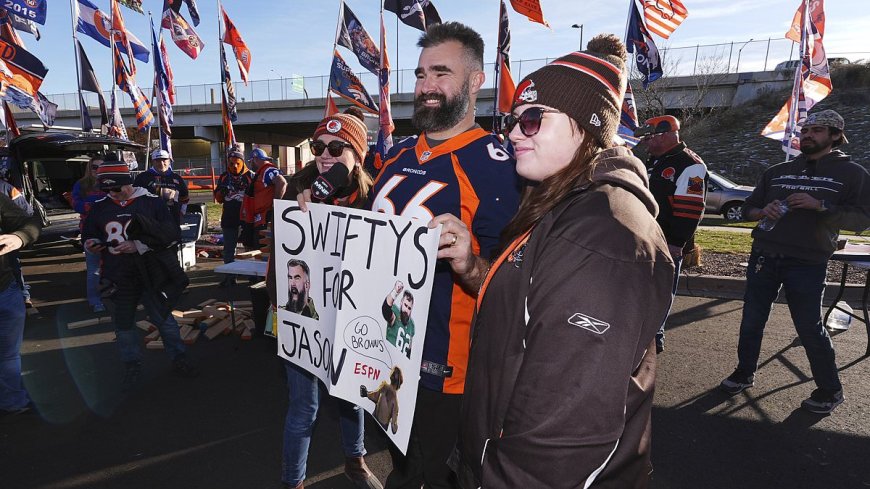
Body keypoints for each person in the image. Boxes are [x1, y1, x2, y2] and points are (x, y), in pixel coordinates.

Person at [438, 35, 675, 487]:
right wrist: (470, 265)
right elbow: (529, 310)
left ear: (585, 126)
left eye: (531, 119)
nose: (510, 133)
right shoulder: (559, 203)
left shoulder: (602, 237)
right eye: (512, 120)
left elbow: (566, 434)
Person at [369, 21, 521, 489]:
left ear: (476, 81)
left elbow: (519, 287)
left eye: (441, 73)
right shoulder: (394, 156)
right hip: (383, 349)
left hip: (445, 366)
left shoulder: (498, 169)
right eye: (419, 75)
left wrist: (471, 261)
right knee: (401, 465)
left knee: (429, 477)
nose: (426, 86)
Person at [719, 109, 870, 414]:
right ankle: (744, 372)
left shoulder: (853, 173)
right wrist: (762, 212)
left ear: (835, 136)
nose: (808, 135)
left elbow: (862, 219)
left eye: (816, 130)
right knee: (751, 320)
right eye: (805, 130)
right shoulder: (777, 171)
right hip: (764, 255)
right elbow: (748, 208)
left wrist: (821, 206)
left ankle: (830, 390)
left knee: (808, 327)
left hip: (807, 261)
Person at [266, 110, 381, 489]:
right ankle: (293, 481)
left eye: (337, 147)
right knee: (304, 407)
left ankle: (356, 460)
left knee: (351, 397)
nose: (325, 155)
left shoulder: (375, 199)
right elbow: (278, 262)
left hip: (350, 318)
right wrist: (278, 305)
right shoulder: (294, 191)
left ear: (358, 155)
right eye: (319, 147)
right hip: (304, 317)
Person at [83, 160, 199, 391]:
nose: (113, 194)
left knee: (164, 319)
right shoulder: (99, 207)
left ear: (128, 183)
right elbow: (88, 233)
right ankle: (131, 365)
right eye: (107, 190)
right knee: (124, 325)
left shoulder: (151, 203)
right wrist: (90, 243)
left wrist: (139, 245)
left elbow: (171, 234)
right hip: (118, 274)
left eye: (117, 188)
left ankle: (179, 358)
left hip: (150, 272)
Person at [635, 115, 707, 353]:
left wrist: (677, 242)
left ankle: (655, 335)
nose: (646, 141)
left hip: (667, 242)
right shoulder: (655, 160)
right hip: (645, 237)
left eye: (650, 137)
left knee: (661, 289)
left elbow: (690, 208)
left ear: (666, 135)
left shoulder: (689, 164)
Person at [0, 192, 41, 416]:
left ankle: (13, 401)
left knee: (8, 356)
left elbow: (31, 221)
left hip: (5, 290)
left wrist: (20, 237)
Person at [72, 155, 108, 313]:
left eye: (101, 166)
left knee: (115, 265)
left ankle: (115, 295)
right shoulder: (81, 184)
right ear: (89, 168)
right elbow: (75, 204)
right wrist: (93, 206)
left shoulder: (109, 183)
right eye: (94, 167)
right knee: (94, 268)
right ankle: (95, 301)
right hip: (90, 230)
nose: (97, 170)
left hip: (110, 229)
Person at [214, 148, 254, 286]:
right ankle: (230, 277)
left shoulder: (251, 176)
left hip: (247, 219)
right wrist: (221, 192)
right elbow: (218, 199)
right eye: (231, 164)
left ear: (242, 162)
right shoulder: (224, 177)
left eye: (237, 163)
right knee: (229, 249)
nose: (235, 167)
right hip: (229, 217)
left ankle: (252, 277)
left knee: (250, 248)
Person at [241, 147, 287, 249]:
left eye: (251, 161)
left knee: (262, 250)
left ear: (255, 159)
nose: (250, 164)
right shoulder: (261, 173)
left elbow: (281, 182)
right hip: (259, 218)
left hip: (265, 218)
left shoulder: (267, 170)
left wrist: (276, 205)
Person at [133, 149, 190, 226]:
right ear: (152, 162)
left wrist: (182, 212)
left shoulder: (177, 178)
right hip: (150, 220)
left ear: (169, 160)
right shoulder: (143, 177)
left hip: (172, 219)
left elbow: (184, 197)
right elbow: (134, 197)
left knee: (173, 237)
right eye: (158, 161)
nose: (161, 163)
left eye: (164, 160)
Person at [382, 281, 415, 359]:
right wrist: (395, 292)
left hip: (401, 365)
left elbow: (409, 350)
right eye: (405, 305)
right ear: (401, 303)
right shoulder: (396, 314)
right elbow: (385, 309)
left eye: (409, 308)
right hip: (389, 358)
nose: (406, 310)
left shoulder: (411, 325)